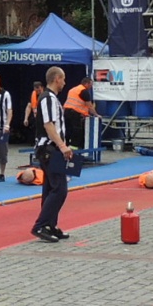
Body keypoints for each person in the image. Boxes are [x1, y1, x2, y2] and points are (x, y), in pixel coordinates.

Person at [31, 66, 72, 243]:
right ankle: (41, 224)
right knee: (59, 189)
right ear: (57, 79)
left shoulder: (52, 98)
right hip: (49, 149)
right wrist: (62, 146)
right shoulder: (47, 98)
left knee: (50, 188)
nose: (64, 82)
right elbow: (49, 126)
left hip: (52, 148)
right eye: (63, 79)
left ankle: (50, 225)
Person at [62, 77, 100, 148]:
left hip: (66, 112)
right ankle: (74, 148)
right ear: (86, 83)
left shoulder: (72, 90)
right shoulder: (84, 91)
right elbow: (90, 106)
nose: (90, 87)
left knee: (67, 129)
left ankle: (65, 145)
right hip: (75, 113)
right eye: (90, 85)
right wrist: (96, 115)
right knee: (77, 130)